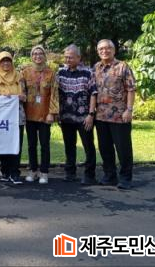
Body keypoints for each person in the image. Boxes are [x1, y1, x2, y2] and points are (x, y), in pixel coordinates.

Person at [93, 39, 136, 189]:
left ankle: (125, 178)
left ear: (113, 50)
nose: (104, 51)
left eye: (107, 48)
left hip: (120, 116)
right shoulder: (96, 67)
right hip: (101, 116)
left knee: (123, 149)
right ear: (98, 51)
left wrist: (129, 110)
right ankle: (110, 176)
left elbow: (131, 89)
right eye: (101, 49)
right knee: (105, 148)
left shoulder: (122, 66)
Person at [56, 44, 97, 185]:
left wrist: (91, 114)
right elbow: (55, 93)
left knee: (88, 146)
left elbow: (93, 93)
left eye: (71, 57)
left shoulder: (88, 72)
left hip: (84, 117)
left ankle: (90, 175)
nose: (68, 60)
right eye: (66, 57)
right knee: (69, 146)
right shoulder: (60, 72)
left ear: (79, 58)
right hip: (66, 117)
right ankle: (70, 173)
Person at [21, 45, 59, 184]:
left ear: (44, 56)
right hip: (29, 114)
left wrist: (52, 113)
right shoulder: (25, 72)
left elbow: (54, 94)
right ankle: (32, 170)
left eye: (40, 53)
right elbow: (21, 91)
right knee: (31, 145)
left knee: (44, 145)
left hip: (44, 114)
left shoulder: (51, 73)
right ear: (32, 56)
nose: (37, 56)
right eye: (35, 54)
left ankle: (44, 172)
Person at [0, 50, 26, 185]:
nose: (6, 63)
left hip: (17, 114)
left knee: (16, 143)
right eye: (3, 61)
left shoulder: (19, 76)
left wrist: (19, 97)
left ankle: (15, 172)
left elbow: (25, 96)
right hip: (1, 117)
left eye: (8, 60)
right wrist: (0, 97)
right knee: (2, 143)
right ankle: (5, 172)